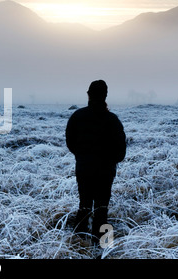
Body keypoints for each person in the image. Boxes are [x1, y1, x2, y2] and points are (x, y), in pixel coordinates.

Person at [65, 80, 126, 241]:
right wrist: (110, 161)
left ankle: (78, 245)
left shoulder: (77, 116)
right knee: (102, 208)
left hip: (84, 169)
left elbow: (70, 143)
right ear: (105, 95)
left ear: (88, 95)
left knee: (84, 206)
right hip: (106, 172)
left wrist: (82, 156)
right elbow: (121, 151)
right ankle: (103, 249)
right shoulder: (113, 120)